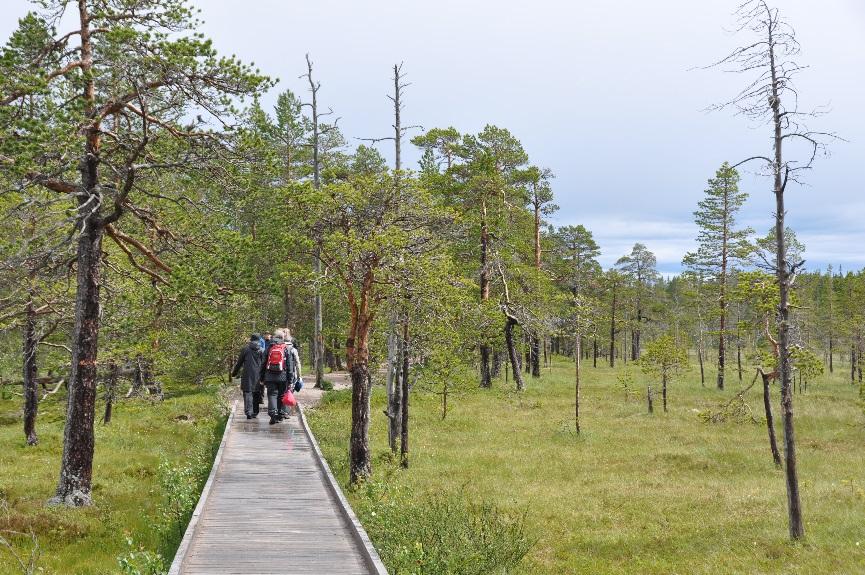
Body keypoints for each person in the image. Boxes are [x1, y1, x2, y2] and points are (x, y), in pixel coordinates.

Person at [260, 332, 294, 424]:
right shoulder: (286, 348)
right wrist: (290, 379)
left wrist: (262, 377)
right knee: (281, 395)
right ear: (282, 338)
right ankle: (280, 414)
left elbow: (263, 364)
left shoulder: (269, 348)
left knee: (272, 395)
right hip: (283, 376)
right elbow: (289, 365)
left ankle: (273, 414)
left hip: (270, 376)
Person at [231, 334, 264, 419]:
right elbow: (264, 363)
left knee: (248, 392)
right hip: (258, 374)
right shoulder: (261, 350)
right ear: (259, 340)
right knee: (256, 392)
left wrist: (234, 373)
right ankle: (255, 412)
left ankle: (249, 412)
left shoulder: (245, 349)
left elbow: (239, 363)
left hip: (247, 374)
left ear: (251, 339)